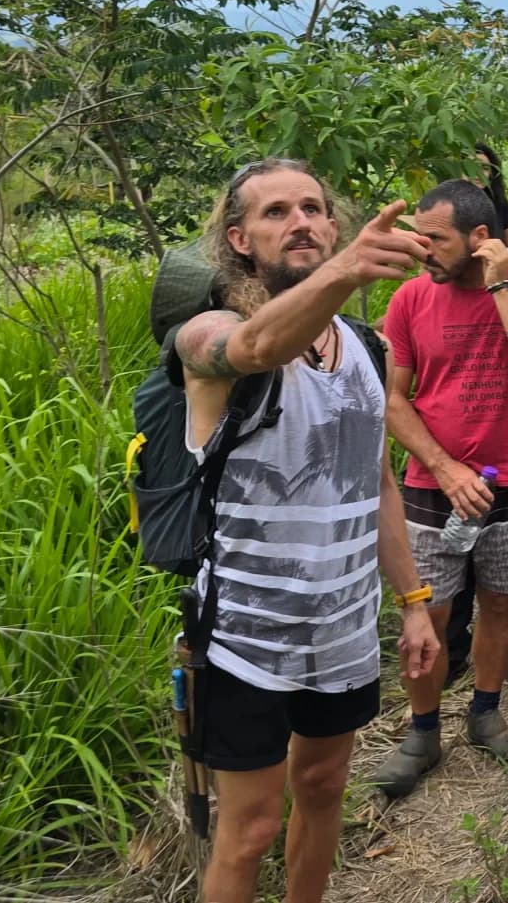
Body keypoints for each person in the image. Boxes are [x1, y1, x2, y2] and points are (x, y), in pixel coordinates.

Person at [169, 159, 437, 903]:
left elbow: (377, 480)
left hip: (344, 628)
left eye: (314, 208)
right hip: (244, 637)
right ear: (239, 238)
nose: (302, 222)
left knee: (323, 788)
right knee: (248, 828)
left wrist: (413, 600)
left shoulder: (364, 346)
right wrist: (350, 270)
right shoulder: (208, 335)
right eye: (277, 212)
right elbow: (258, 347)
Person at [372, 180, 508, 798]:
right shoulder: (408, 301)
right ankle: (422, 731)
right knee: (427, 609)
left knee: (503, 603)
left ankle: (485, 711)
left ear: (480, 240)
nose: (423, 249)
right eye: (420, 237)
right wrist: (445, 466)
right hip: (432, 484)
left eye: (436, 239)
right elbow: (394, 400)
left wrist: (501, 285)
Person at [473, 143, 508, 244]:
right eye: (472, 166)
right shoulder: (448, 203)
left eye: (484, 168)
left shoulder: (499, 202)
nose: (478, 173)